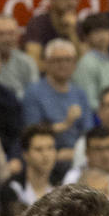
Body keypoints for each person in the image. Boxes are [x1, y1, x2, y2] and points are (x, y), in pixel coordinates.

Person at [20, 40, 90, 172]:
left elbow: (88, 131)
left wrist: (77, 152)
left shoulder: (80, 93)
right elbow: (32, 132)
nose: (63, 65)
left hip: (78, 155)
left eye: (68, 60)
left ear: (75, 64)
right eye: (57, 60)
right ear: (46, 63)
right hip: (46, 156)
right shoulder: (34, 93)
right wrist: (65, 124)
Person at [23, 0, 80, 68]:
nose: (71, 3)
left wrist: (72, 32)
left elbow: (82, 63)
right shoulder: (37, 24)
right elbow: (32, 63)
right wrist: (62, 68)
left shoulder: (78, 24)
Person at [0, 12, 39, 102]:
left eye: (11, 33)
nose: (7, 39)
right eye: (1, 34)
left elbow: (35, 96)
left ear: (17, 35)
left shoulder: (27, 62)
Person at [73, 12, 109, 113]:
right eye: (97, 32)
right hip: (93, 117)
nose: (102, 36)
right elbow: (88, 101)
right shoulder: (86, 63)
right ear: (86, 37)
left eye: (105, 31)